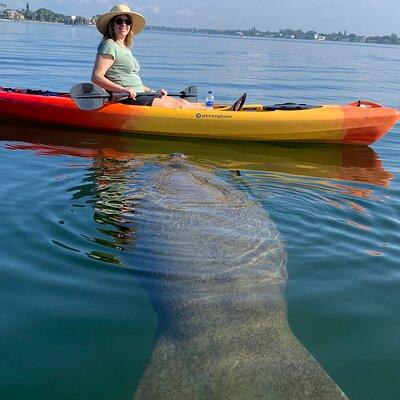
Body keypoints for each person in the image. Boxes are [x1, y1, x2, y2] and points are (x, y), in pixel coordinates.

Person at [91, 4, 205, 109]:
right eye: (119, 21)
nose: (124, 25)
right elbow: (97, 77)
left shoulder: (123, 48)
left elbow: (134, 82)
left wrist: (153, 91)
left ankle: (209, 111)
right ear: (112, 25)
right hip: (127, 98)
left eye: (128, 21)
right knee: (181, 105)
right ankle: (212, 116)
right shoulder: (109, 45)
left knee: (184, 103)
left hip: (139, 94)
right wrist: (122, 89)